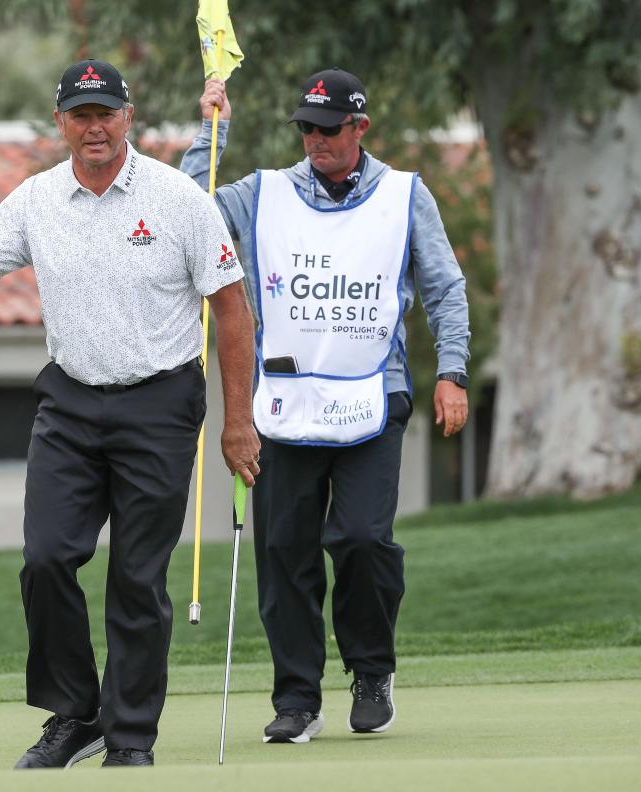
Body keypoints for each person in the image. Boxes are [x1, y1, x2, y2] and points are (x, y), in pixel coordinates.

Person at [0, 59, 261, 768]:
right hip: (70, 400)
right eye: (81, 114)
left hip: (160, 401)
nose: (95, 126)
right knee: (46, 559)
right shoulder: (35, 201)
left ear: (129, 117)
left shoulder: (179, 198)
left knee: (137, 578)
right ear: (61, 123)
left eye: (106, 112)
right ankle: (75, 712)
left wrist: (237, 420)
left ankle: (129, 736)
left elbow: (233, 313)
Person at [180, 68, 470, 743]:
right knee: (285, 550)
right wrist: (210, 130)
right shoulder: (264, 194)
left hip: (374, 392)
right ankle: (296, 700)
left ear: (359, 128)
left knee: (364, 539)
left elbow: (445, 286)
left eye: (328, 129)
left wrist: (452, 370)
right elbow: (188, 212)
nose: (315, 140)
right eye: (306, 129)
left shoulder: (404, 195)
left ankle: (371, 671)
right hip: (282, 400)